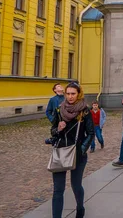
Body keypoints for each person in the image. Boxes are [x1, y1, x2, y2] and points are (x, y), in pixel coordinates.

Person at [50, 82, 94, 218]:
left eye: (73, 94)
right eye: (68, 93)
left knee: (76, 185)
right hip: (61, 151)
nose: (70, 96)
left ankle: (80, 208)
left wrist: (81, 149)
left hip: (77, 153)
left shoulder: (85, 111)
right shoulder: (59, 109)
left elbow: (91, 133)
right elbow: (52, 131)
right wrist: (58, 129)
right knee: (58, 189)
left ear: (78, 94)